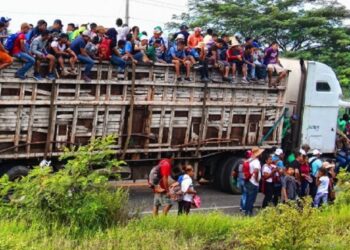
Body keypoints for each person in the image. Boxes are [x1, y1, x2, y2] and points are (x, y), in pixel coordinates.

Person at [245, 146, 264, 216]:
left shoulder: (250, 160)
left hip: (248, 181)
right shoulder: (256, 162)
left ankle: (246, 212)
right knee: (251, 199)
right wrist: (256, 180)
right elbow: (256, 171)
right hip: (253, 183)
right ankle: (249, 214)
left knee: (248, 198)